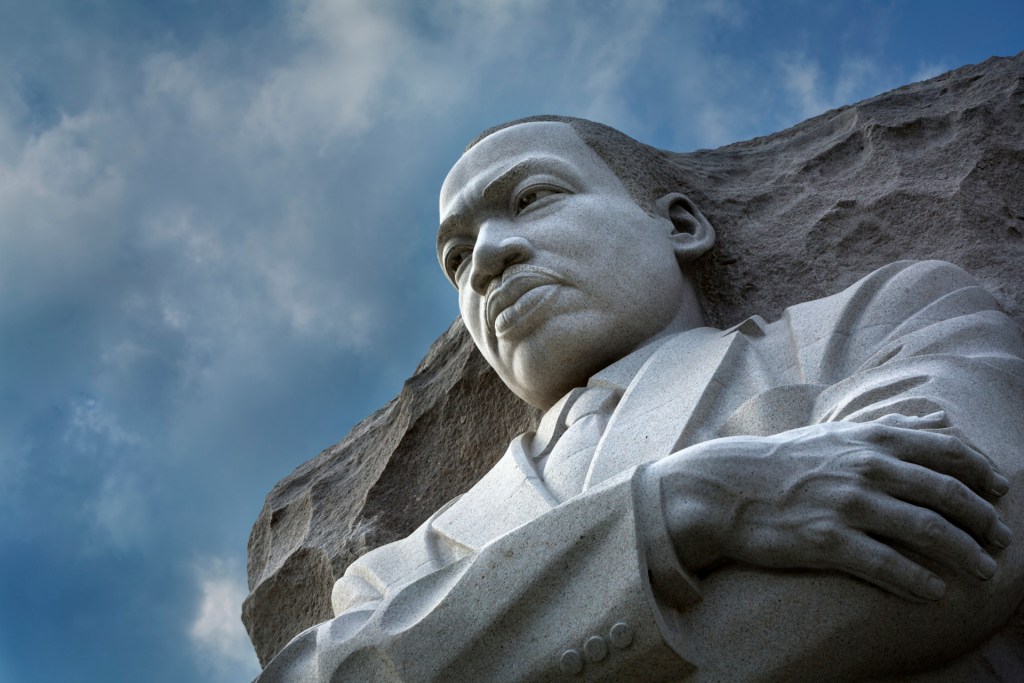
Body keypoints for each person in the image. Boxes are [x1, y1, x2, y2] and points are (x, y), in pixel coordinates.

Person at [257, 117, 1024, 682]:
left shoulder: (876, 324)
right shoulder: (389, 575)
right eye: (456, 258)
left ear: (680, 225)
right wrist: (678, 509)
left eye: (530, 198)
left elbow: (967, 534)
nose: (485, 260)